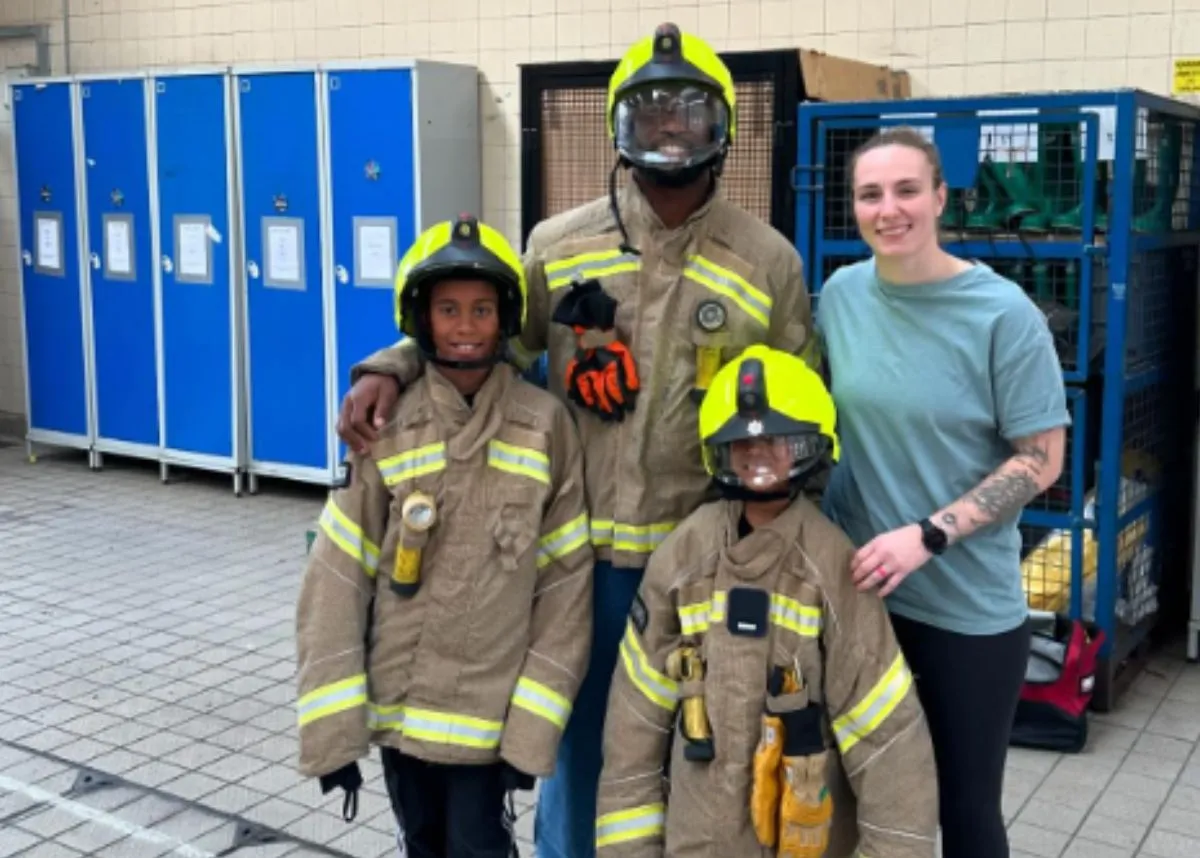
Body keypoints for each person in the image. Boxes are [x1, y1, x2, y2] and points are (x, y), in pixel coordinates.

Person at [335, 23, 817, 858]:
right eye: (650, 115)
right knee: (581, 766)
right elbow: (482, 337)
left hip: (703, 564)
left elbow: (800, 411)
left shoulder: (767, 261)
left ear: (722, 130)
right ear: (620, 130)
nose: (669, 132)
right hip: (576, 571)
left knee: (707, 758)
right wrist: (391, 363)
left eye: (688, 115)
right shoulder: (558, 247)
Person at [294, 214, 594, 858]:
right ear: (420, 318)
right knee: (422, 843)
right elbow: (336, 579)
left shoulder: (545, 428)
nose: (464, 326)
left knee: (478, 846)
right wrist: (334, 735)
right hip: (403, 720)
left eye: (482, 309)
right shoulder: (387, 424)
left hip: (491, 726)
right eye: (448, 308)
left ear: (506, 317)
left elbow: (566, 592)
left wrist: (529, 738)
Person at [816, 126, 1071, 858]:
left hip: (964, 612)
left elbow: (1041, 459)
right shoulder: (841, 296)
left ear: (940, 198)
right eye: (870, 194)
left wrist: (928, 535)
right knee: (857, 799)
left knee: (963, 810)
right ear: (854, 207)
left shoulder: (1002, 315)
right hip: (860, 598)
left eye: (905, 191)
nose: (888, 209)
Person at [593, 344, 938, 858]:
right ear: (719, 450)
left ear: (811, 446)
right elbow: (632, 735)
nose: (757, 456)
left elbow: (888, 746)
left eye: (777, 441)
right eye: (741, 443)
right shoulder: (683, 557)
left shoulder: (834, 568)